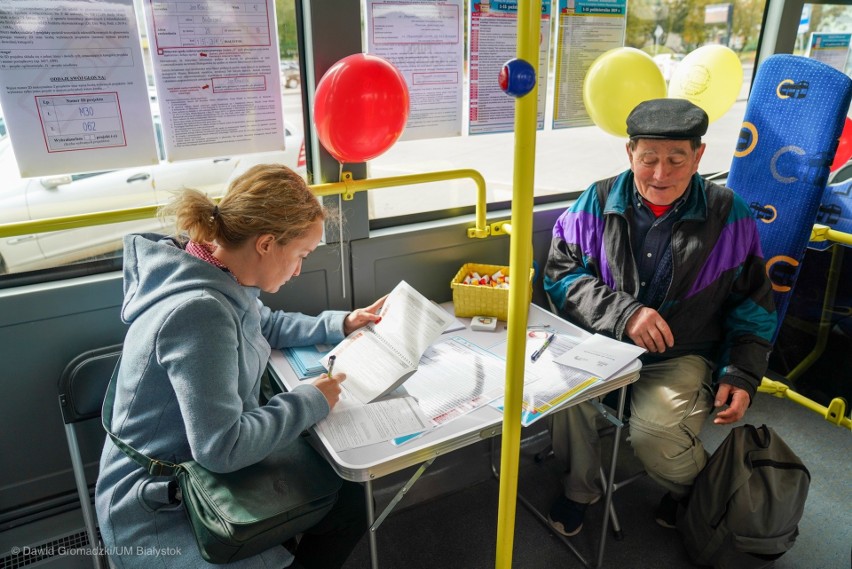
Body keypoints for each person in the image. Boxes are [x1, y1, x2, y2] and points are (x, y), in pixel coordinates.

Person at [96, 164, 383, 569]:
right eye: (300, 255)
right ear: (266, 244)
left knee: (349, 501)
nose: (299, 269)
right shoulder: (200, 312)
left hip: (193, 464)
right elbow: (222, 447)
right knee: (345, 506)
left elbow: (265, 323)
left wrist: (339, 323)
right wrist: (309, 401)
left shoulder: (214, 271)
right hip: (164, 505)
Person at [543, 98, 777, 537]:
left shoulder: (729, 213)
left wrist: (743, 372)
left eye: (676, 159)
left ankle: (698, 493)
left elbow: (753, 302)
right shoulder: (596, 199)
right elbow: (560, 271)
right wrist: (623, 313)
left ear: (700, 156)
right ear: (629, 153)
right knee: (562, 395)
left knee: (655, 438)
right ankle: (580, 489)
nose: (660, 174)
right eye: (648, 159)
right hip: (603, 344)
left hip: (681, 352)